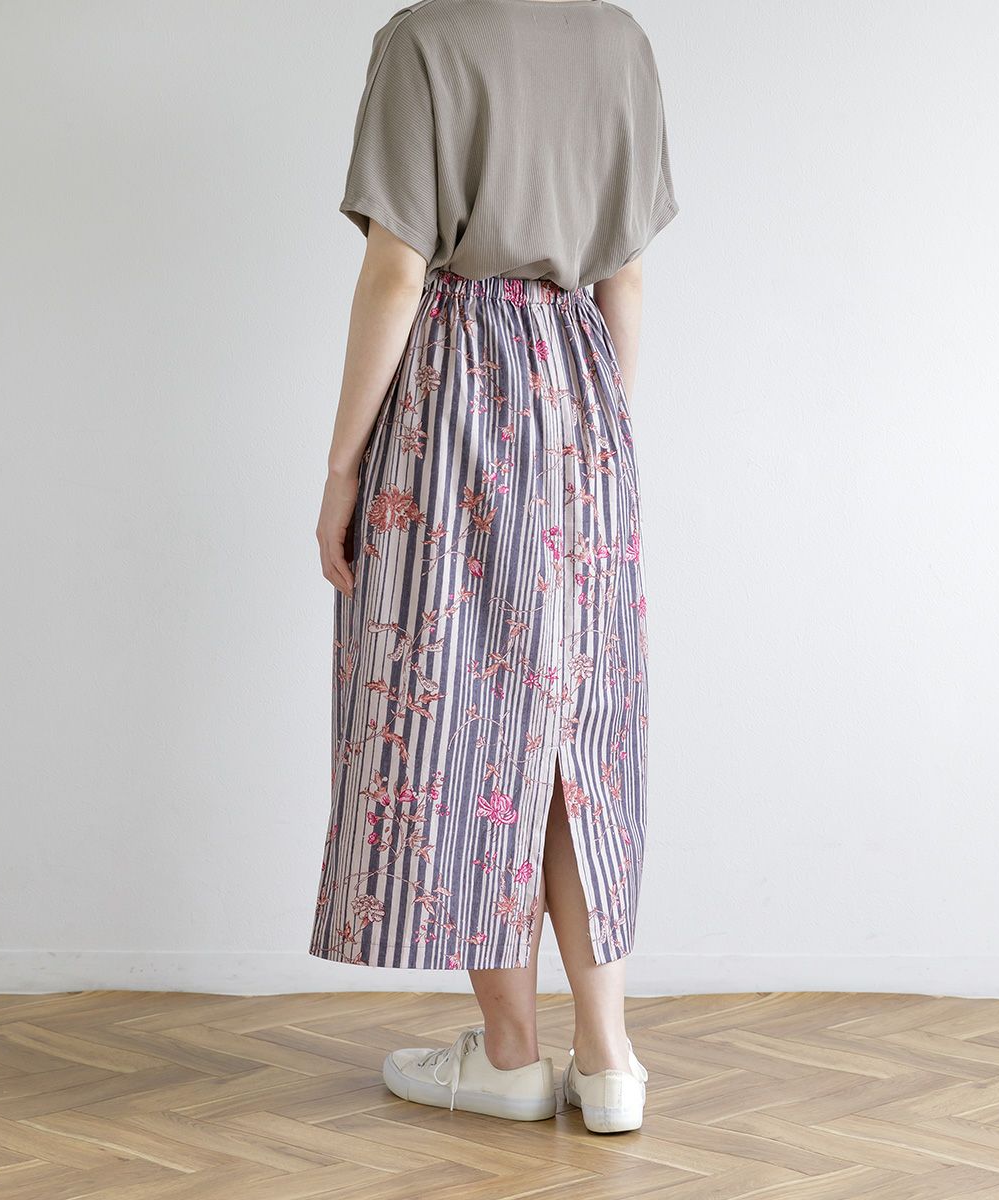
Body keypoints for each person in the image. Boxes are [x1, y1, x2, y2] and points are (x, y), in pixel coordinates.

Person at [311, 0, 678, 1134]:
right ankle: (608, 1062)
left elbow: (397, 269)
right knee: (577, 729)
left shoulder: (427, 40)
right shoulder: (619, 42)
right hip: (584, 395)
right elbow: (623, 278)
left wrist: (342, 470)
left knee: (472, 719)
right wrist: (596, 443)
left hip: (457, 400)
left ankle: (512, 1056)